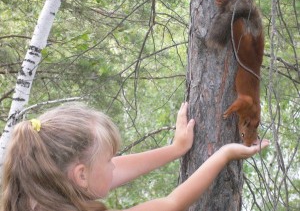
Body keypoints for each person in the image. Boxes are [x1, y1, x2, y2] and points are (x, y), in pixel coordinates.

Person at [0, 102, 269, 211]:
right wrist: (224, 153)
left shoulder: (34, 188)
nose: (114, 164)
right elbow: (172, 203)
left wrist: (175, 150)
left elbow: (111, 172)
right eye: (108, 159)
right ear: (81, 175)